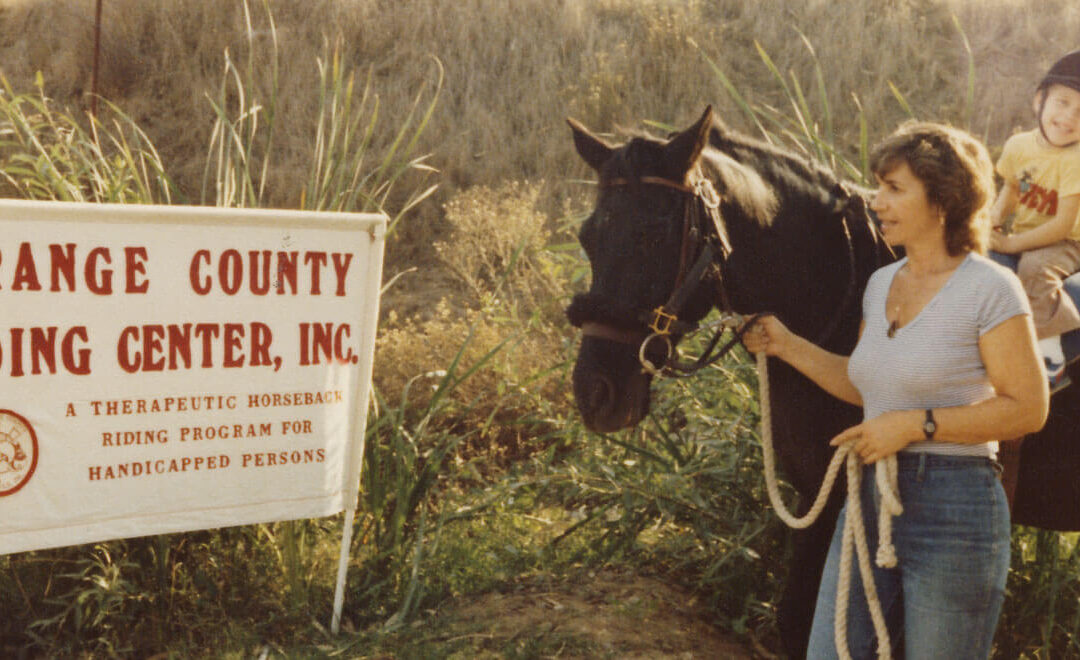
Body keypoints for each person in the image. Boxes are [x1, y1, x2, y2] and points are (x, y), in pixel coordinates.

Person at [743, 122, 1048, 659]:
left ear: (943, 201)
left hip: (956, 508)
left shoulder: (991, 288)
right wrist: (786, 345)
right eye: (878, 186)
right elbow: (867, 386)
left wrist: (915, 425)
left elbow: (1028, 409)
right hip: (868, 500)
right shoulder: (881, 283)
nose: (876, 201)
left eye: (893, 188)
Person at [989, 49, 1080, 391]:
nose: (1069, 117)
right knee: (982, 259)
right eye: (1062, 102)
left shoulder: (1075, 160)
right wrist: (994, 221)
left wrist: (1012, 243)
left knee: (1035, 269)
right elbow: (1012, 189)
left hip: (1067, 241)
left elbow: (1062, 224)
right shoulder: (1019, 145)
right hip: (1026, 231)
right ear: (1040, 100)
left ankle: (1049, 355)